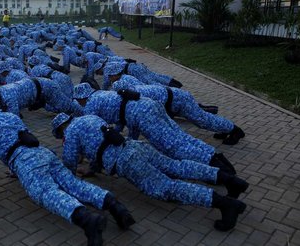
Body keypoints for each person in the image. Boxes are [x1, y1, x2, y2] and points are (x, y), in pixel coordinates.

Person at [0, 98, 135, 246]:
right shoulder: (10, 116)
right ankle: (116, 207)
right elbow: (23, 136)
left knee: (46, 192)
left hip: (24, 160)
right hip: (43, 152)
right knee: (73, 184)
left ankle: (87, 221)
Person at [52, 114, 248, 232]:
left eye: (60, 134)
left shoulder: (71, 134)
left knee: (165, 188)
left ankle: (226, 204)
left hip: (127, 161)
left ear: (61, 129)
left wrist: (70, 183)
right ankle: (230, 180)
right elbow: (102, 143)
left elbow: (69, 162)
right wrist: (92, 169)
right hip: (135, 146)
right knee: (176, 166)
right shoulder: (89, 117)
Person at [72, 83, 236, 174]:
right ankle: (215, 156)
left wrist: (91, 164)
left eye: (78, 101)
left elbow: (98, 137)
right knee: (181, 137)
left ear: (81, 98)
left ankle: (217, 166)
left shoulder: (90, 107)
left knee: (171, 146)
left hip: (142, 114)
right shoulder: (102, 94)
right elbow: (120, 118)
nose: (79, 104)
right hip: (149, 104)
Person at [111, 75, 245, 145]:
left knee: (202, 120)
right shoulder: (133, 90)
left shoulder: (133, 96)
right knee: (203, 119)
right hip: (174, 100)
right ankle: (224, 129)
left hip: (179, 100)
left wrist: (128, 141)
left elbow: (134, 124)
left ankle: (235, 131)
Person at [0, 77, 83, 117]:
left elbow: (13, 117)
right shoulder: (0, 93)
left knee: (65, 106)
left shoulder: (8, 97)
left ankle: (85, 112)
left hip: (46, 87)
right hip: (39, 87)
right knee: (59, 108)